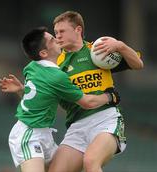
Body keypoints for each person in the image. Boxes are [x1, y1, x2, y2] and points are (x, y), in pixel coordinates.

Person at [0, 26, 120, 172]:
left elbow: (38, 94)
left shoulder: (31, 67)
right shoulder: (57, 76)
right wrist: (110, 96)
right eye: (52, 40)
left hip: (44, 134)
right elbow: (87, 103)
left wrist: (21, 90)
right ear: (43, 53)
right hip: (28, 134)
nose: (57, 39)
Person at [47, 11, 144, 172]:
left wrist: (119, 45)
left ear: (78, 30)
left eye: (62, 31)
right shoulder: (56, 64)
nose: (57, 36)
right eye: (56, 33)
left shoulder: (99, 50)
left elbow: (138, 64)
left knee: (91, 162)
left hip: (105, 120)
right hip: (76, 125)